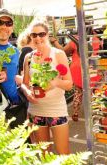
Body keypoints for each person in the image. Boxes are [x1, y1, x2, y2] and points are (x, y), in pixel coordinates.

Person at [21, 19, 73, 154]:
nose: (38, 38)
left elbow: (69, 84)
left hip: (56, 110)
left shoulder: (58, 54)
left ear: (48, 34)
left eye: (41, 34)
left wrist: (55, 83)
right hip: (36, 110)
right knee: (44, 155)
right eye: (34, 35)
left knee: (64, 155)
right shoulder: (28, 57)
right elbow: (24, 83)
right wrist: (27, 92)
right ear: (30, 37)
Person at [50, 31, 102, 122]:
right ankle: (95, 111)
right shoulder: (97, 39)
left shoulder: (75, 39)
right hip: (93, 68)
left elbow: (63, 52)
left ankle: (75, 112)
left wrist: (55, 42)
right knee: (94, 91)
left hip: (78, 69)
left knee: (78, 92)